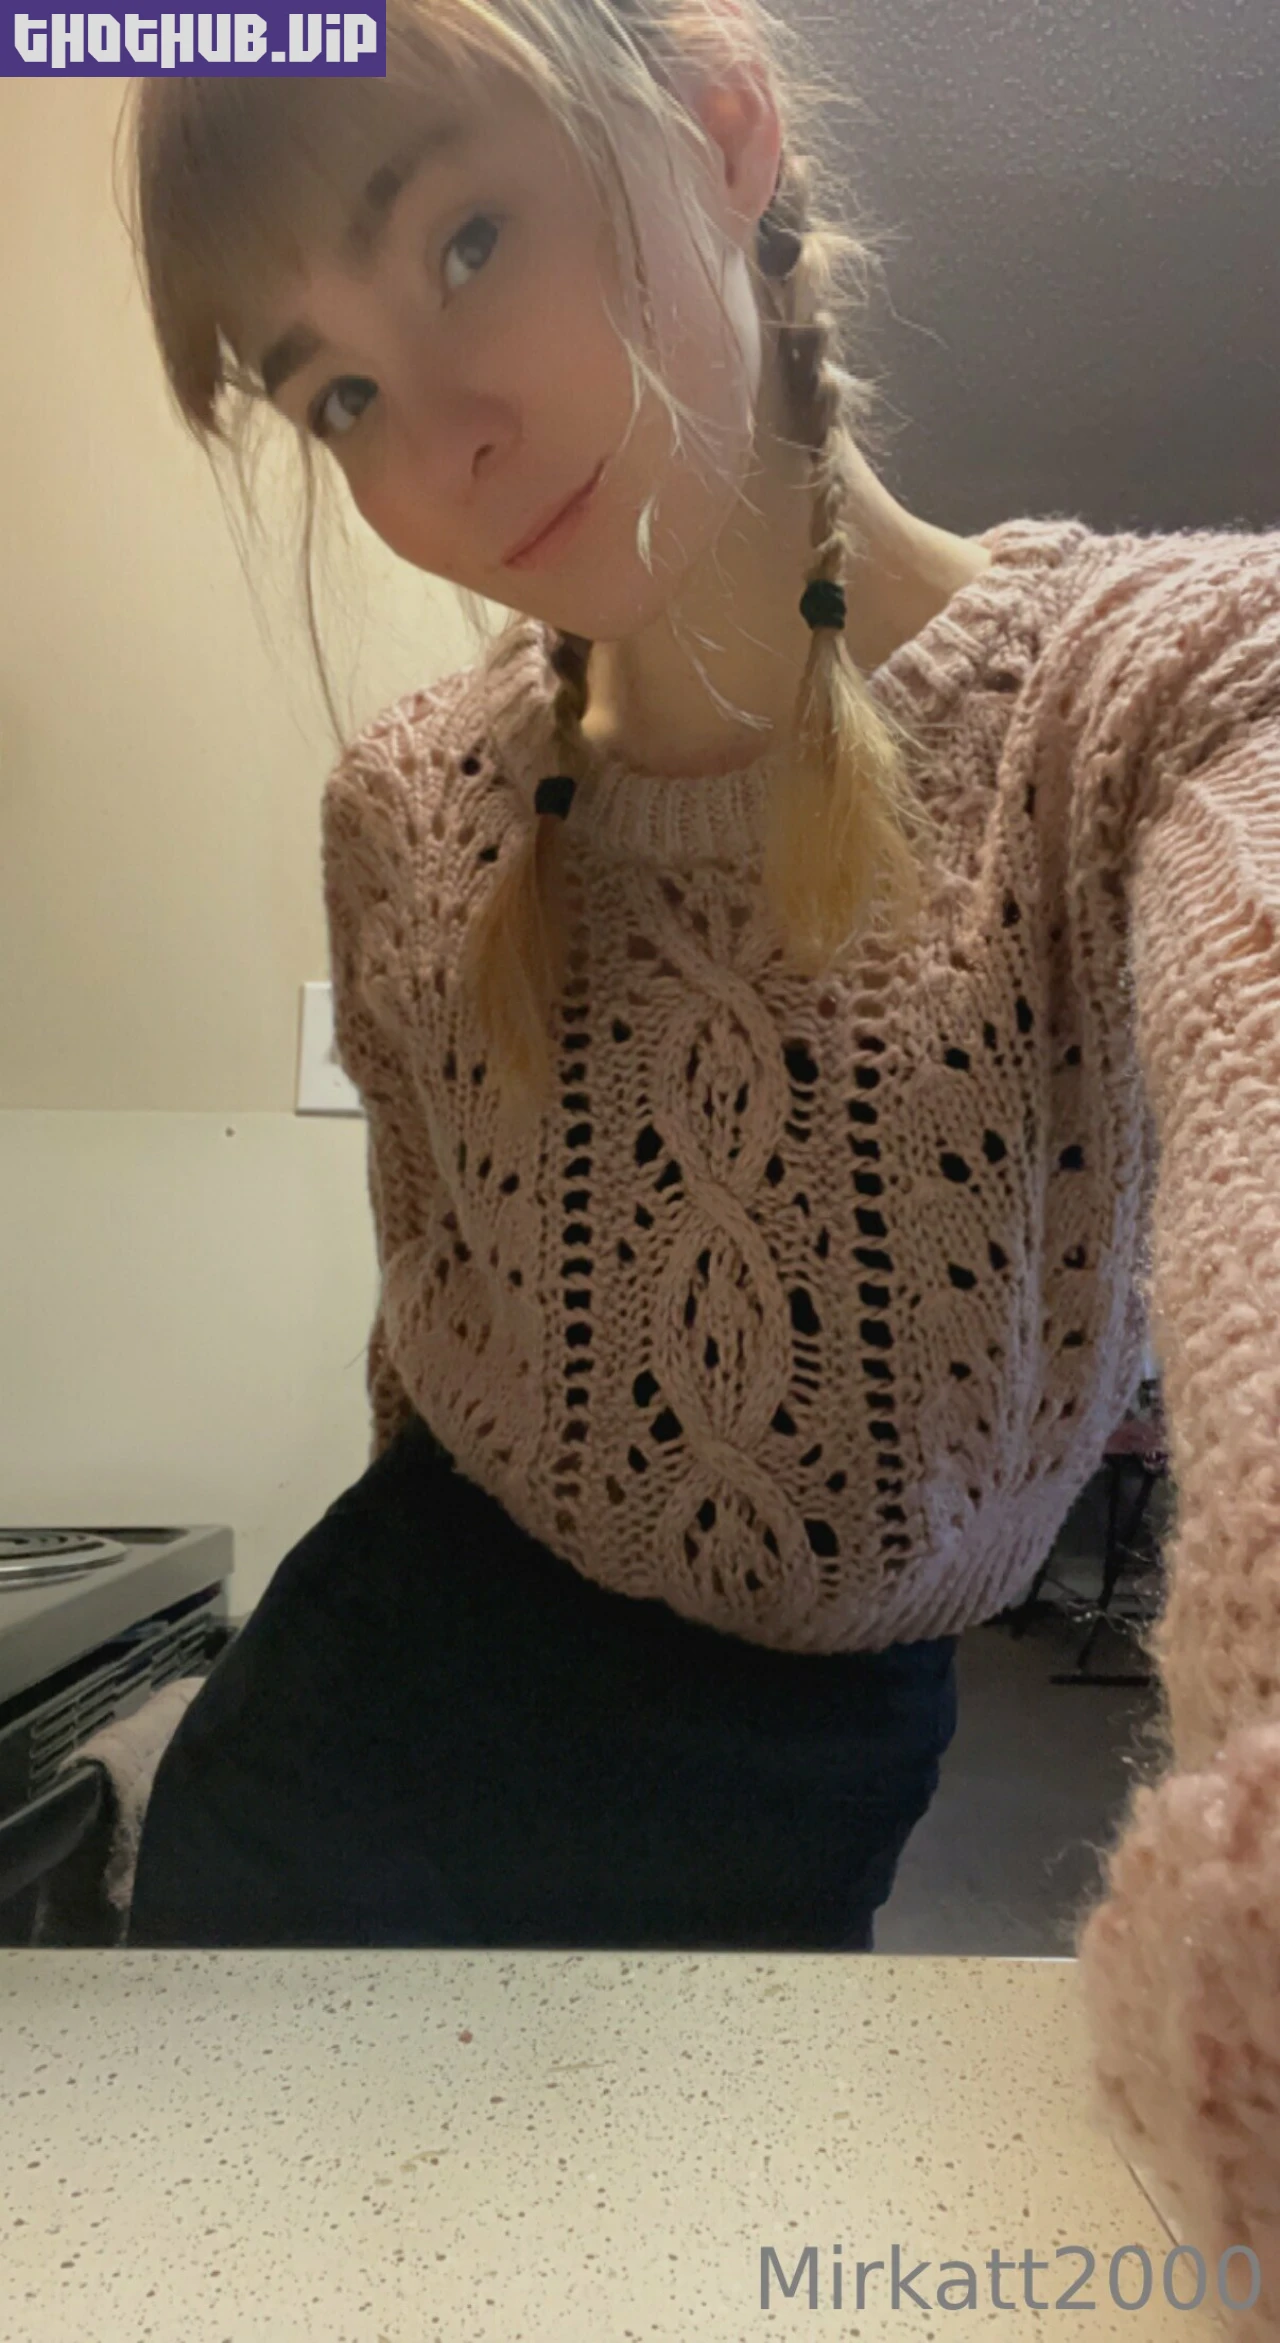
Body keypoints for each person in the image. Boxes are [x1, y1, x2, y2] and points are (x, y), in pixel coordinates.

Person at [119, 3, 1280, 2304]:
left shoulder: (1151, 690)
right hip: (337, 1791)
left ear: (729, 132)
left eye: (464, 238)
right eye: (329, 392)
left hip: (804, 1802)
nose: (435, 442)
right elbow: (426, 1363)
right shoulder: (402, 818)